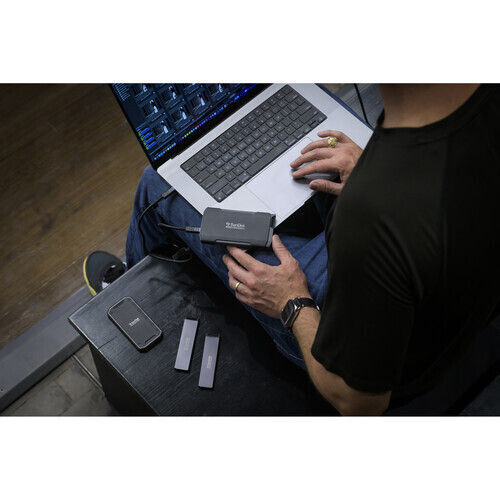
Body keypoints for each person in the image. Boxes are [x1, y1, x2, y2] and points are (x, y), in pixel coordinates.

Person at [84, 84, 500, 415]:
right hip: (453, 300)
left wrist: (291, 301)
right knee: (316, 154)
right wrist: (380, 167)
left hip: (397, 367)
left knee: (157, 183)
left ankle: (122, 292)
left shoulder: (368, 218)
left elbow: (358, 401)